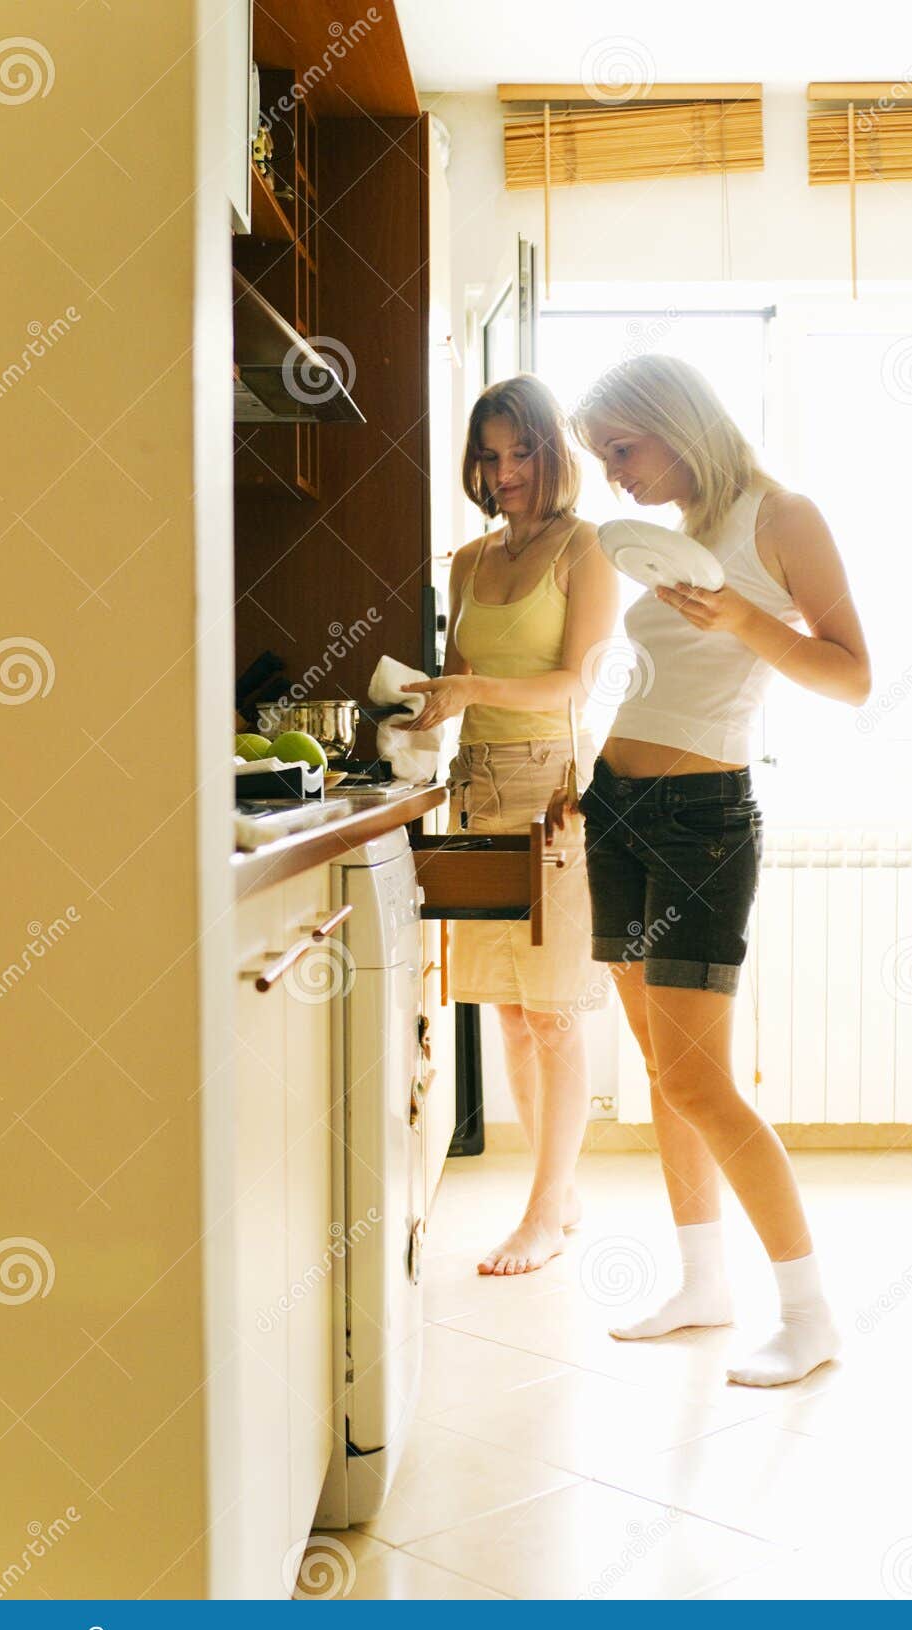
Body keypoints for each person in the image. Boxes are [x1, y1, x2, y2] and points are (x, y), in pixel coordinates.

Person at [547, 353, 870, 1386]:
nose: (613, 477)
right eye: (600, 460)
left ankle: (809, 1313)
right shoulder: (668, 537)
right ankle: (701, 1285)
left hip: (700, 821)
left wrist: (741, 618)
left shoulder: (781, 516)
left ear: (671, 420)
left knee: (698, 1078)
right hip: (618, 808)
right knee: (660, 1074)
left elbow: (851, 676)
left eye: (620, 449)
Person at [397, 374, 619, 1276]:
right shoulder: (468, 562)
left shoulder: (588, 549)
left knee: (556, 1016)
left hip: (557, 793)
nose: (505, 470)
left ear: (552, 451)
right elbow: (456, 679)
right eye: (489, 455)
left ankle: (539, 1216)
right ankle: (556, 1192)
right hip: (478, 787)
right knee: (512, 1017)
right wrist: (413, 712)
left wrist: (472, 689)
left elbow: (576, 681)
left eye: (520, 450)